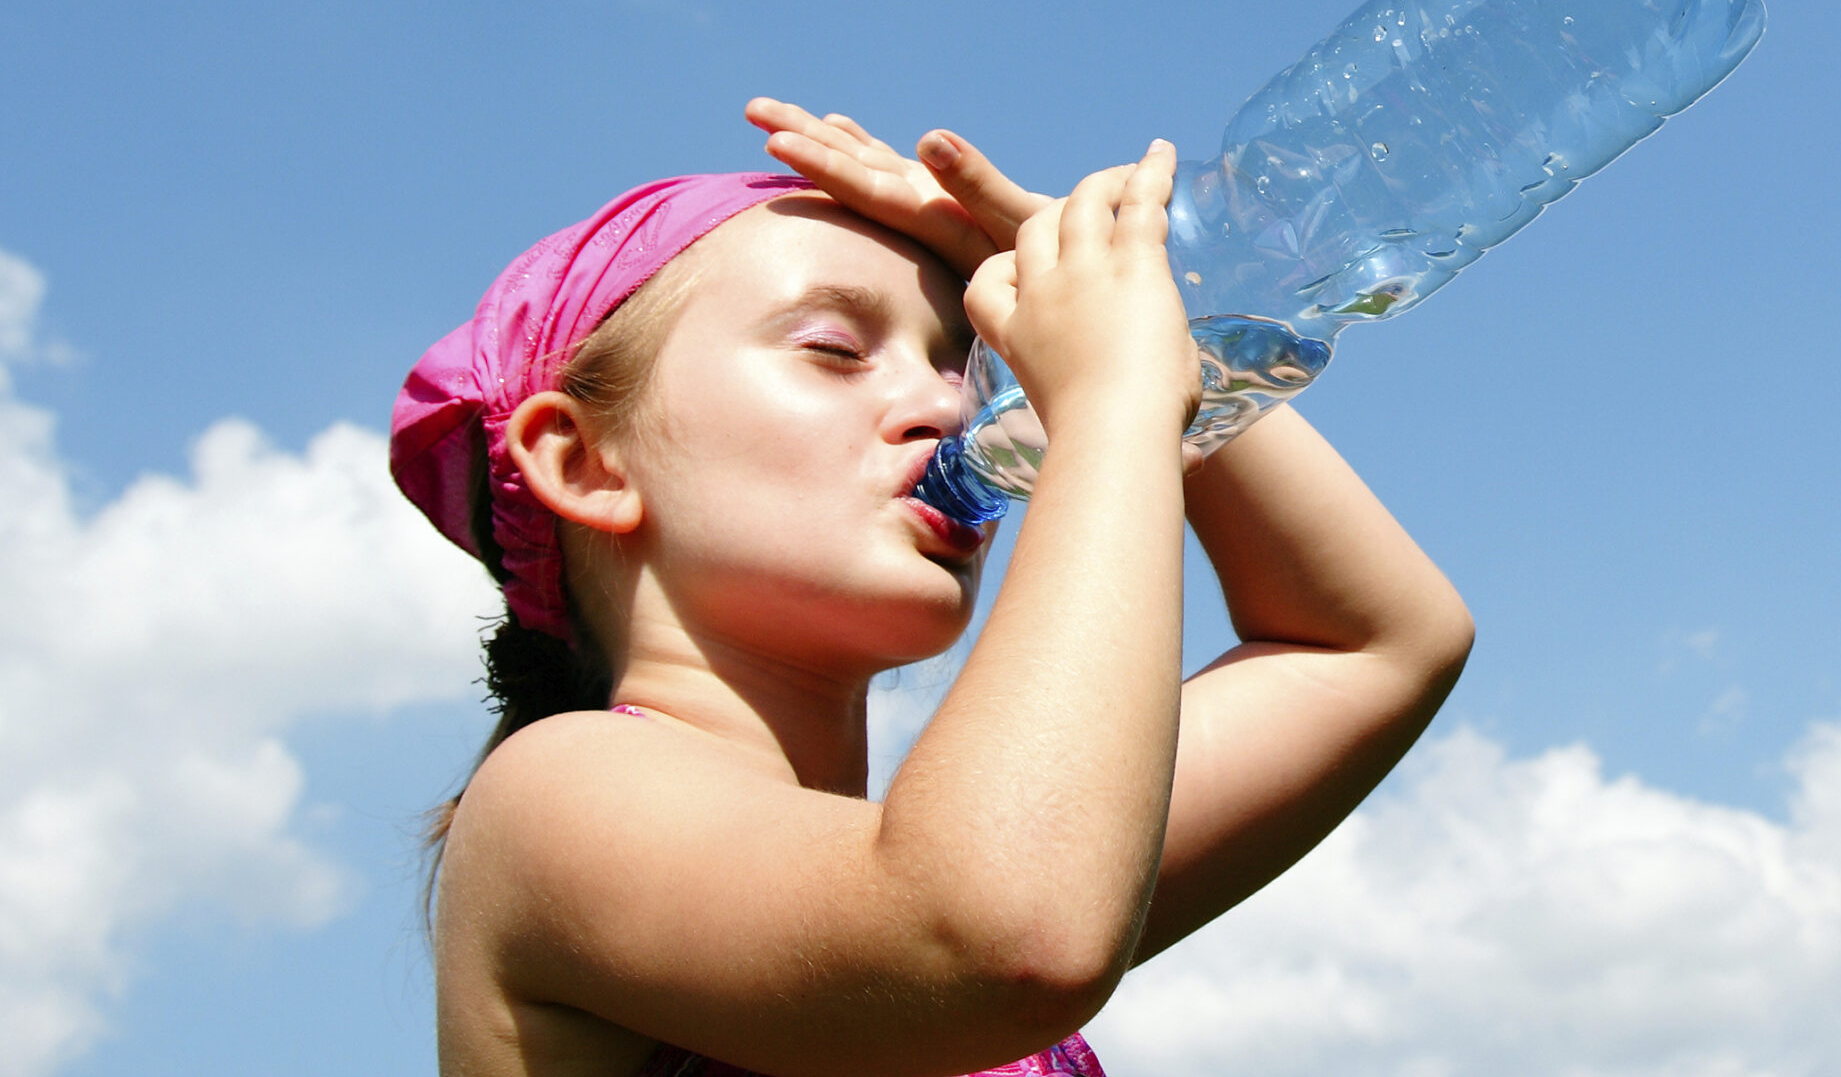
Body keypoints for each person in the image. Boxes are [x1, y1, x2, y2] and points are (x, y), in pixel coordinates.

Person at [393, 98, 1475, 1076]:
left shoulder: (991, 837)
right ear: (584, 462)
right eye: (833, 347)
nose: (952, 408)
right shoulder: (554, 800)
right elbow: (995, 935)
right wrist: (1111, 399)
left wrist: (1141, 331)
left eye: (968, 362)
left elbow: (1373, 642)